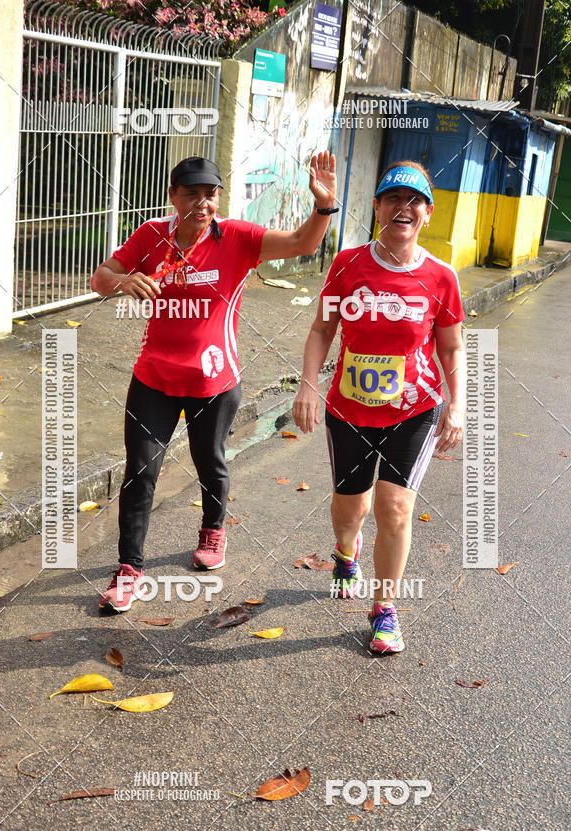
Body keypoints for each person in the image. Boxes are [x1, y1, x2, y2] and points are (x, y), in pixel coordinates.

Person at [91, 152, 337, 612]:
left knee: (211, 460)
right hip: (154, 379)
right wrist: (125, 283)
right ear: (173, 197)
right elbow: (101, 277)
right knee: (140, 472)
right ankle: (129, 570)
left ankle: (213, 528)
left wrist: (322, 208)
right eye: (192, 195)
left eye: (211, 194)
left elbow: (304, 243)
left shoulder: (237, 237)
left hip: (215, 380)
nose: (202, 204)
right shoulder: (150, 235)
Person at [292, 160, 465, 654]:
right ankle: (347, 553)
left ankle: (384, 609)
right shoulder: (347, 264)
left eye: (414, 201)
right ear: (377, 207)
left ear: (427, 214)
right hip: (349, 409)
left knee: (393, 508)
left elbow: (450, 347)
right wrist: (308, 385)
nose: (403, 208)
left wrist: (457, 404)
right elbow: (323, 329)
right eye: (393, 199)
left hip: (414, 410)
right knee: (352, 509)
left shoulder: (441, 276)